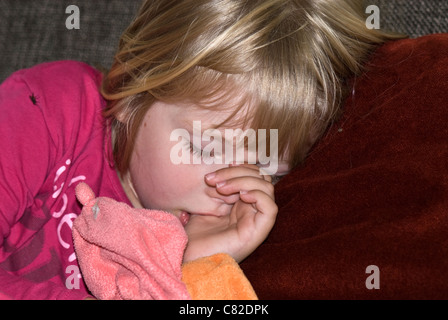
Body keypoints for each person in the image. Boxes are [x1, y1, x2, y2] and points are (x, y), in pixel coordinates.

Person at [0, 0, 403, 299]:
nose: (228, 189)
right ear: (128, 93)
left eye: (266, 168)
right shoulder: (48, 109)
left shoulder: (229, 222)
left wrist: (195, 258)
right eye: (208, 148)